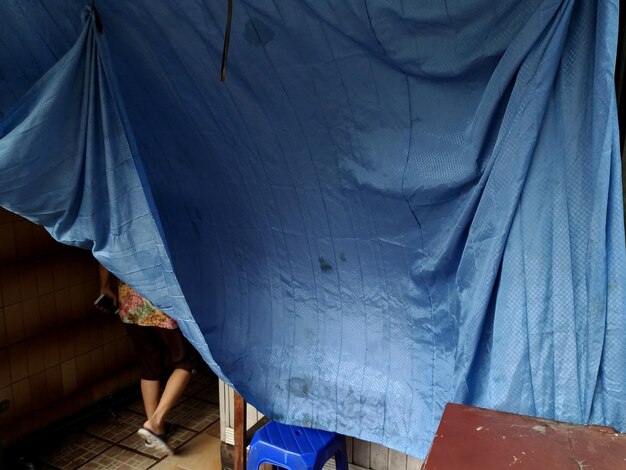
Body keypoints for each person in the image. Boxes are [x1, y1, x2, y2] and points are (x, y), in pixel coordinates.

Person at [97, 264, 197, 455]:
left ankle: (155, 433)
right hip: (161, 301)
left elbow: (104, 250)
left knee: (149, 365)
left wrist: (105, 285)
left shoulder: (119, 231)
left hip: (129, 301)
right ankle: (155, 423)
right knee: (185, 362)